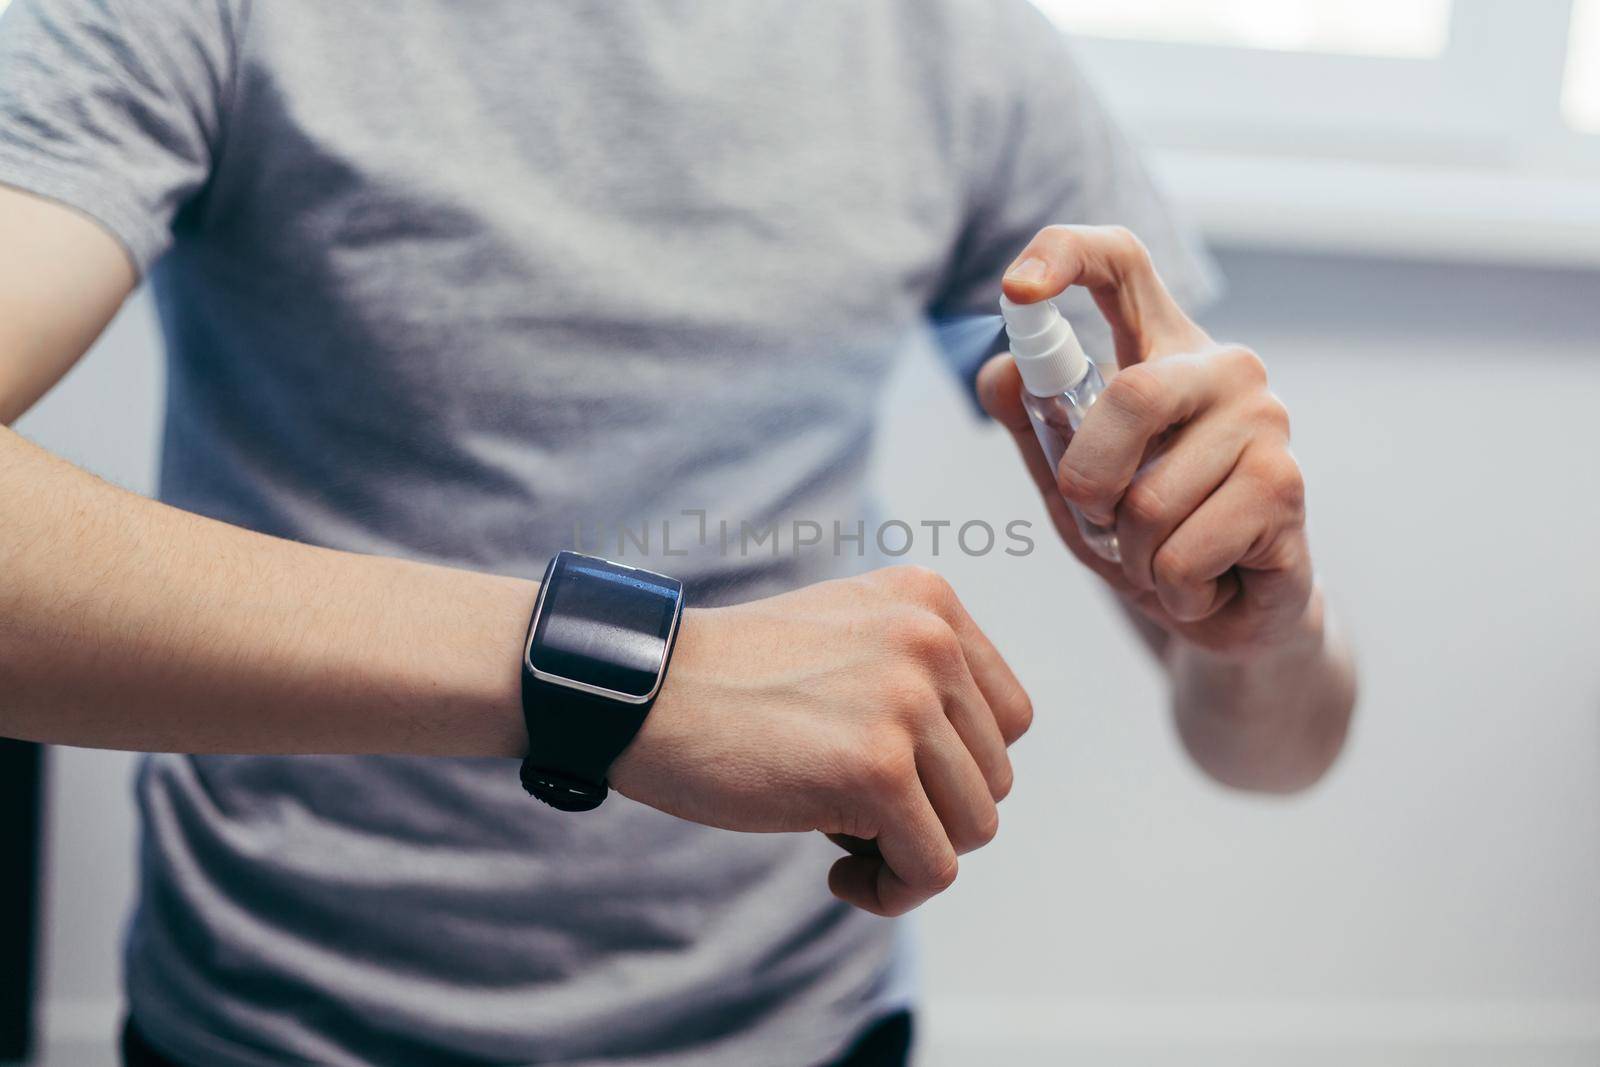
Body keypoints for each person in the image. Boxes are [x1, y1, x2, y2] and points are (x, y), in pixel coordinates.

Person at [0, 2, 1357, 1065]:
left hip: (807, 1029)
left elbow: (1272, 753)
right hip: (278, 1029)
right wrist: (625, 677)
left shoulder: (960, 45)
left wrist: (1264, 626)